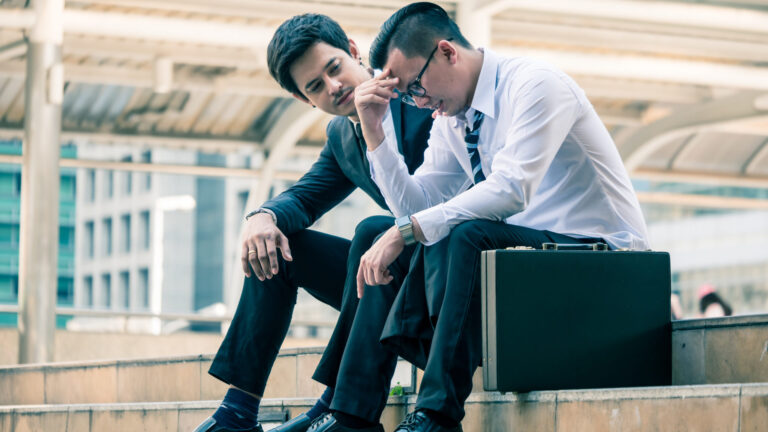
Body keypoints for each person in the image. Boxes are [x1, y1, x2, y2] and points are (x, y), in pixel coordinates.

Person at [351, 3, 650, 431]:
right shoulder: (453, 119)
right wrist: (375, 132)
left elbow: (512, 189)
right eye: (405, 95)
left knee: (463, 233)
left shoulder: (535, 85)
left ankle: (436, 416)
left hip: (607, 262)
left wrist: (410, 229)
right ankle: (352, 411)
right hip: (536, 262)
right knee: (384, 232)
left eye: (415, 85)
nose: (417, 102)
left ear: (447, 52)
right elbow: (415, 210)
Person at [193, 14, 433, 432]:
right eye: (315, 86)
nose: (333, 87)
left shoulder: (420, 99)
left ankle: (335, 405)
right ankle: (238, 411)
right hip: (387, 278)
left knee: (371, 232)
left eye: (334, 68)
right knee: (279, 248)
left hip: (445, 275)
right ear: (306, 100)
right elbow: (305, 196)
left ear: (355, 51)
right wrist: (262, 217)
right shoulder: (343, 136)